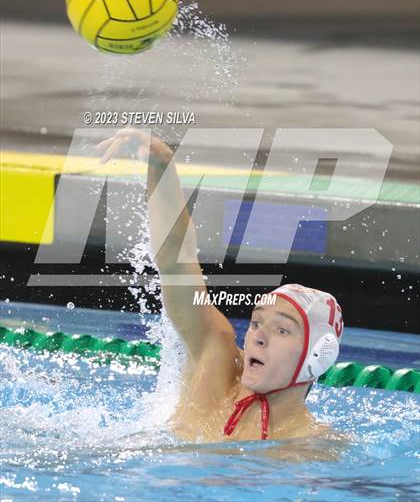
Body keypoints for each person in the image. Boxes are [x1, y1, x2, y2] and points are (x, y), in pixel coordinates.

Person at [96, 129, 344, 444]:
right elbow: (176, 260)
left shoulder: (310, 445)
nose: (259, 337)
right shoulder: (215, 356)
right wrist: (161, 165)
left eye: (283, 330)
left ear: (317, 356)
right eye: (256, 323)